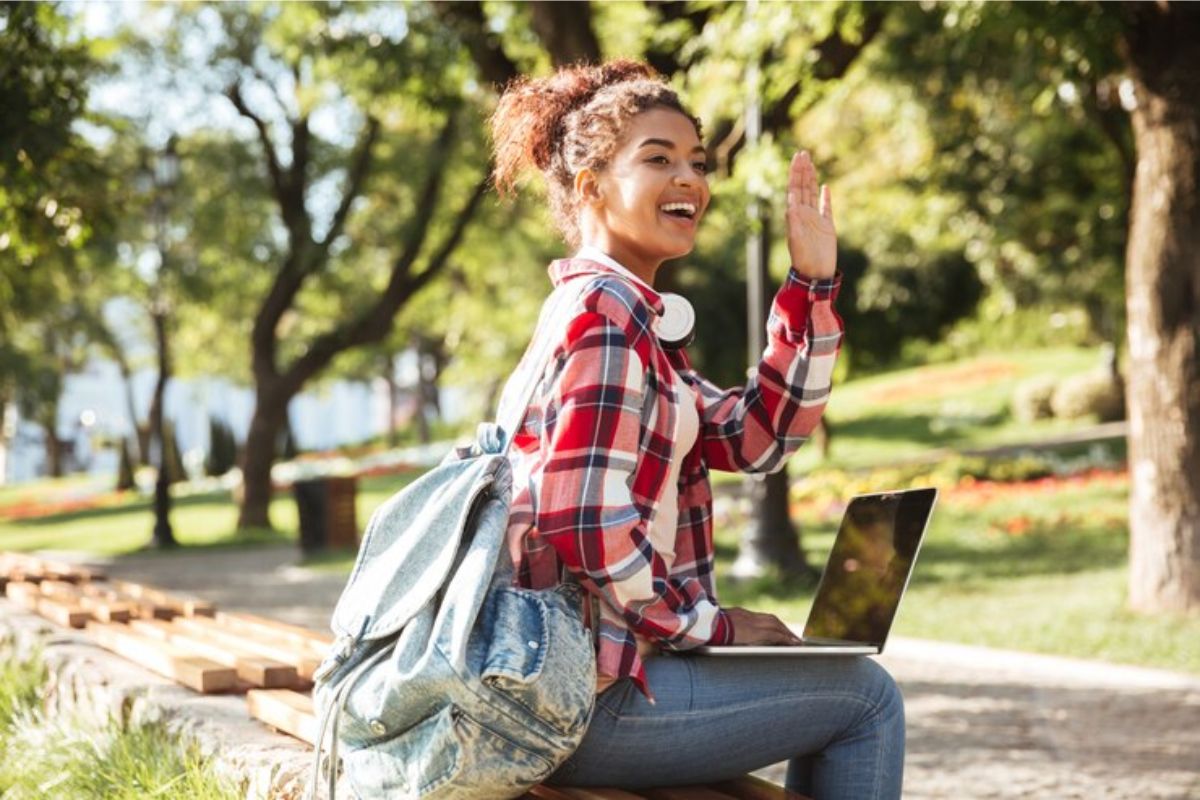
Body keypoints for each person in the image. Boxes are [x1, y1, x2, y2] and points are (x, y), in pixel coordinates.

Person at [487, 60, 904, 800]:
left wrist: (810, 285)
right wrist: (713, 626)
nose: (690, 180)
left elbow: (757, 437)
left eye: (697, 163)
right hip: (588, 704)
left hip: (593, 683)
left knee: (844, 684)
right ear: (591, 189)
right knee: (865, 699)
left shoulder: (624, 320)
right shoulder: (605, 320)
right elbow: (582, 519)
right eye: (658, 160)